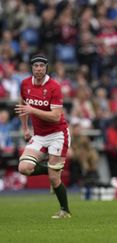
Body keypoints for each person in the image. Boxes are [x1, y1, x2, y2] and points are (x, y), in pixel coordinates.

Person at [14, 54, 71, 219]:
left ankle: (65, 211)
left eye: (42, 66)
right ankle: (51, 170)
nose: (38, 69)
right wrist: (25, 128)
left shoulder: (54, 86)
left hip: (58, 134)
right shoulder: (25, 84)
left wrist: (33, 110)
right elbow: (22, 106)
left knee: (55, 179)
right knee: (24, 168)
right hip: (39, 135)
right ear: (31, 67)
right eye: (36, 66)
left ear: (46, 68)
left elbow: (55, 116)